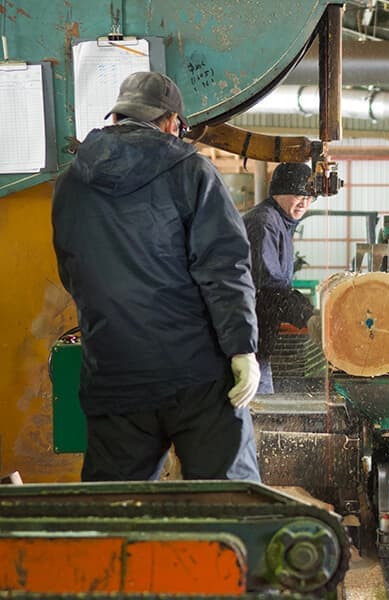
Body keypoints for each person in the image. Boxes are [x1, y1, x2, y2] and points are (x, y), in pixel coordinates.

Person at [52, 71, 262, 482]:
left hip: (114, 372)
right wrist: (242, 350)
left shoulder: (70, 183)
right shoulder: (192, 172)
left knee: (114, 512)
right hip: (196, 377)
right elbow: (224, 267)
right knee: (229, 508)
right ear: (170, 122)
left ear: (117, 116)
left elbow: (72, 270)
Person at [243, 163, 317, 393]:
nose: (304, 202)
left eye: (310, 197)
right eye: (298, 195)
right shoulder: (264, 223)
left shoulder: (280, 222)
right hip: (245, 337)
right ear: (278, 192)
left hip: (257, 338)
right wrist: (307, 315)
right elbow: (268, 287)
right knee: (255, 403)